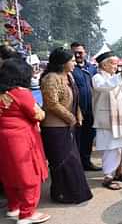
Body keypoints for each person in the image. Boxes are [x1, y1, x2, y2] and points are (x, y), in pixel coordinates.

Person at [0, 58, 51, 224]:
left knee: (9, 173)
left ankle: (13, 207)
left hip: (3, 137)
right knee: (29, 174)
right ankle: (27, 213)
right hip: (20, 138)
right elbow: (38, 114)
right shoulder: (21, 93)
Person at [40, 47, 93, 203]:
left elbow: (75, 99)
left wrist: (78, 115)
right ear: (63, 63)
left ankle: (73, 193)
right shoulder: (51, 78)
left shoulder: (69, 76)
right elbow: (52, 104)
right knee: (62, 162)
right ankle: (62, 194)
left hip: (68, 125)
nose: (74, 63)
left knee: (72, 160)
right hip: (54, 127)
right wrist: (70, 118)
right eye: (71, 60)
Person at [92, 51, 122, 190]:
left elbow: (119, 92)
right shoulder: (97, 78)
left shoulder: (115, 78)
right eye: (113, 63)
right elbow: (105, 87)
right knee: (111, 148)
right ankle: (108, 177)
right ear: (104, 65)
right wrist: (120, 76)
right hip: (108, 121)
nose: (115, 66)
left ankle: (120, 171)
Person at [70, 42, 101, 171]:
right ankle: (76, 165)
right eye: (75, 52)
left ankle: (86, 162)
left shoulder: (92, 68)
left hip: (92, 110)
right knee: (77, 138)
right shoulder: (70, 69)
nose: (77, 55)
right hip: (77, 110)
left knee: (89, 137)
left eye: (80, 52)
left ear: (85, 52)